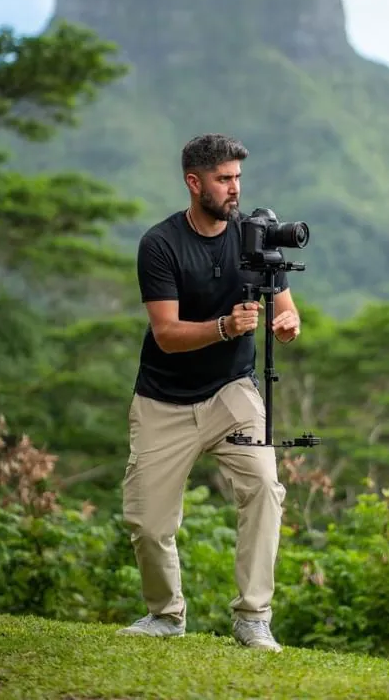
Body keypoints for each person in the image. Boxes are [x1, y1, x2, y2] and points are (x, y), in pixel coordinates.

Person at [117, 133, 301, 652]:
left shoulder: (255, 234)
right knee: (148, 522)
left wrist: (286, 324)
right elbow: (167, 335)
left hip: (231, 393)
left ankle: (252, 617)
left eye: (238, 178)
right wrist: (224, 327)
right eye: (224, 179)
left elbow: (287, 307)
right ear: (194, 183)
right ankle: (166, 615)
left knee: (265, 488)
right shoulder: (160, 244)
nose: (234, 189)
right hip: (164, 398)